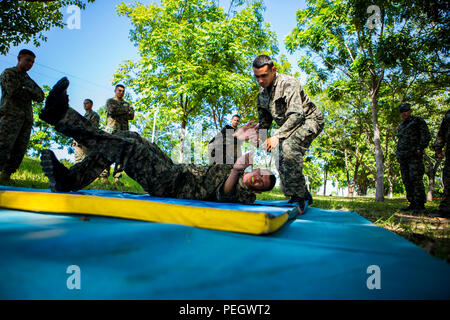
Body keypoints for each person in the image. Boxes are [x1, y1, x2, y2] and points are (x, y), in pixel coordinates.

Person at [39, 77, 276, 204]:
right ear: (258, 169)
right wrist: (233, 135)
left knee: (127, 148)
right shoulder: (237, 163)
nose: (257, 181)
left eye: (261, 185)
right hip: (175, 171)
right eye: (261, 176)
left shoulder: (246, 195)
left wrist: (235, 171)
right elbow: (214, 149)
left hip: (172, 186)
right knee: (128, 137)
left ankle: (61, 116)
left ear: (260, 192)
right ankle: (69, 179)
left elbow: (224, 194)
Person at [251, 55, 324, 212]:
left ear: (273, 70)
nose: (260, 80)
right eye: (257, 77)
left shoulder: (288, 83)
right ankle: (300, 194)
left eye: (264, 75)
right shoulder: (262, 94)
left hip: (309, 120)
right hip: (288, 126)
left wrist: (277, 135)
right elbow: (264, 121)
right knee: (279, 152)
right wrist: (261, 137)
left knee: (289, 147)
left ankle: (299, 198)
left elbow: (297, 114)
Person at [0, 49, 44, 183]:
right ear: (19, 58)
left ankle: (6, 176)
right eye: (28, 60)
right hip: (10, 116)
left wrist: (26, 89)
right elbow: (13, 91)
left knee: (20, 149)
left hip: (26, 119)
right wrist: (29, 91)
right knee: (3, 145)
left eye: (32, 62)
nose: (30, 64)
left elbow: (41, 96)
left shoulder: (27, 79)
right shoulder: (9, 73)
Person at [396, 103, 431, 214]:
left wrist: (419, 148)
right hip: (404, 157)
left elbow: (426, 136)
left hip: (414, 156)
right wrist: (398, 155)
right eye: (402, 111)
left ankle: (420, 205)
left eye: (406, 111)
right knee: (406, 180)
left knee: (416, 179)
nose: (404, 113)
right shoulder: (401, 126)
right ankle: (412, 203)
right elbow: (400, 142)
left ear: (410, 111)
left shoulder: (417, 121)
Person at [99, 84, 134, 185]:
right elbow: (112, 110)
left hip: (123, 132)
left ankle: (117, 178)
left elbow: (131, 115)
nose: (121, 92)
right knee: (107, 154)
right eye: (119, 90)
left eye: (123, 91)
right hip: (111, 131)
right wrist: (125, 111)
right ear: (115, 91)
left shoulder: (126, 104)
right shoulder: (110, 101)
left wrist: (121, 110)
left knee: (121, 155)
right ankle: (104, 177)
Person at [432, 110, 450, 218]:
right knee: (448, 180)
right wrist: (438, 147)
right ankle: (445, 210)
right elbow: (442, 132)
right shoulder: (448, 114)